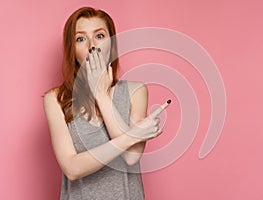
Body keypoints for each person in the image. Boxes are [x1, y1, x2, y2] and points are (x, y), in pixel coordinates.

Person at [43, 7, 170, 200]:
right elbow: (72, 168)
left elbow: (131, 157)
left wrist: (101, 95)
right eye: (80, 38)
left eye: (99, 36)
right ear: (72, 48)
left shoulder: (135, 91)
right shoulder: (55, 98)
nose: (91, 46)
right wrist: (133, 135)